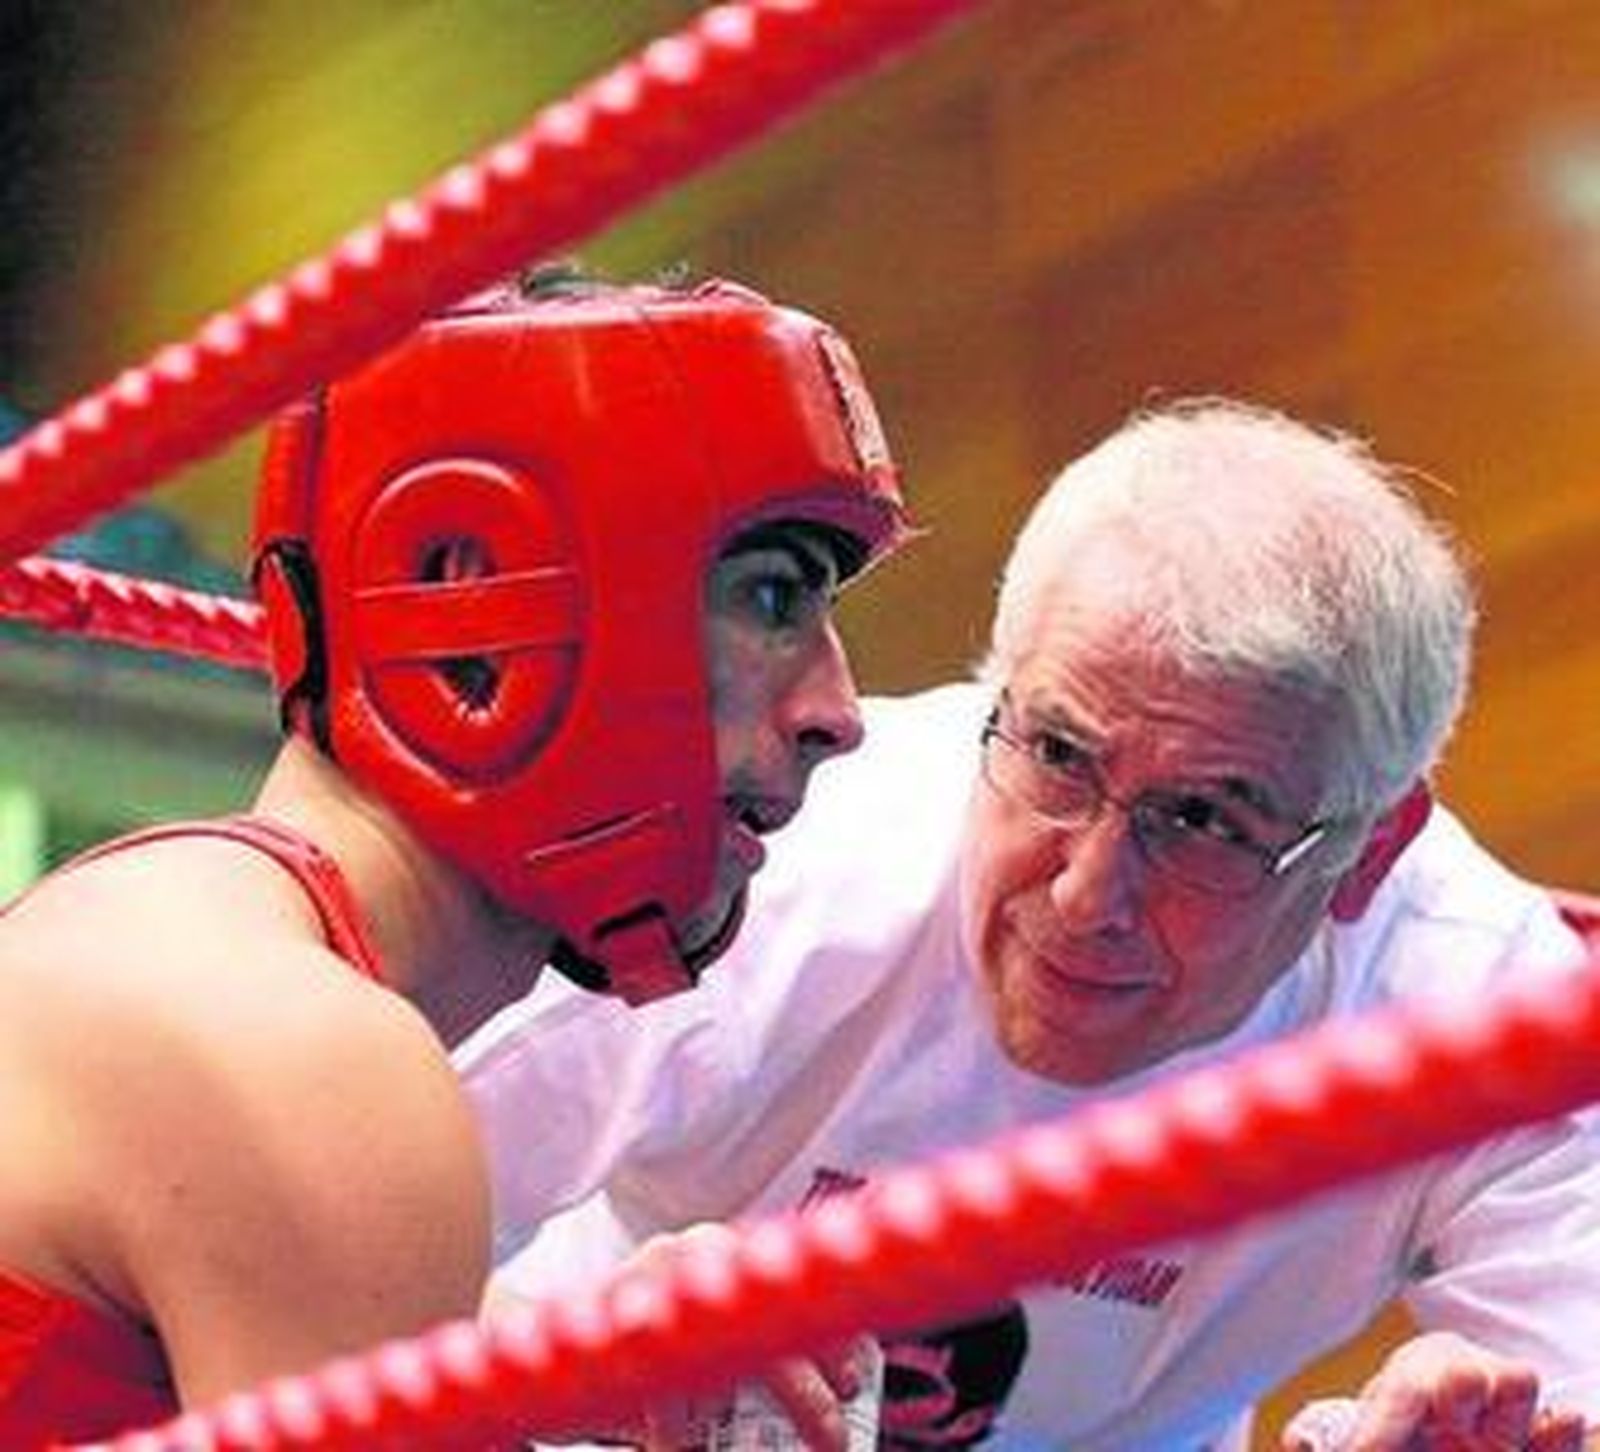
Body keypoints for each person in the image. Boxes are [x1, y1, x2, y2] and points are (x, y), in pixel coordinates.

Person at [466, 398, 1600, 1452]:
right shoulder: (760, 877)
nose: (1084, 897)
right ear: (995, 692)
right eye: (1058, 755)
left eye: (1205, 821)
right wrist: (581, 1361)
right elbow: (355, 1268)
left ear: (1371, 850)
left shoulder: (1499, 1025)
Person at [0, 269, 912, 1444]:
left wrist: (579, 1359)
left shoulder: (161, 921)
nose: (838, 713)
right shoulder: (311, 1068)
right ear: (467, 589)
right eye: (772, 596)